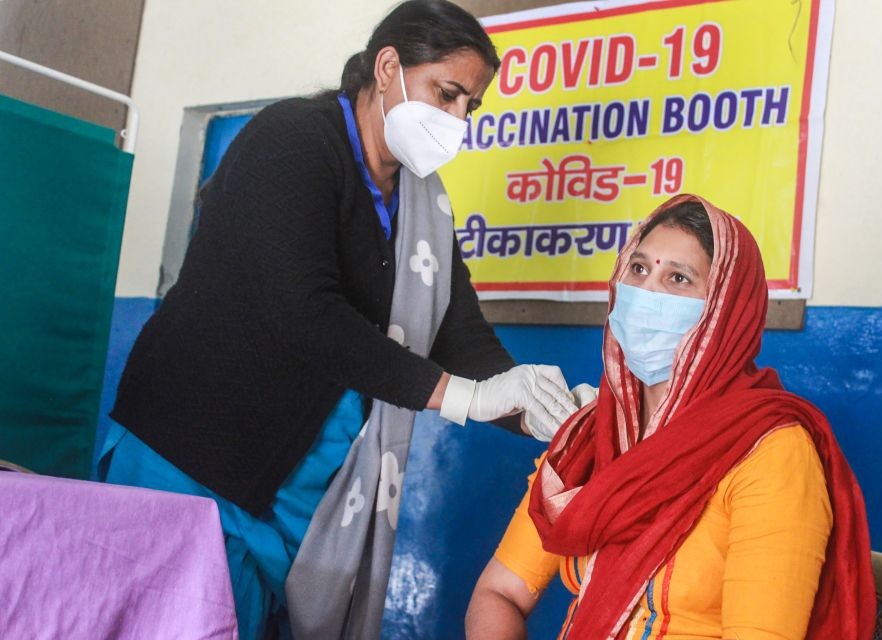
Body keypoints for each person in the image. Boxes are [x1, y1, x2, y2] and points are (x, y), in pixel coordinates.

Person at [100, 1, 578, 638]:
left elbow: (460, 336)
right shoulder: (292, 141)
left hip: (303, 490)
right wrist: (462, 397)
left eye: (472, 106)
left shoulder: (423, 203)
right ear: (387, 68)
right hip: (195, 461)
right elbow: (302, 312)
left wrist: (554, 413)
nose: (459, 120)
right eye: (448, 93)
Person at [466, 195, 876, 640]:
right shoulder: (591, 438)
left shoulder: (772, 454)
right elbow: (499, 592)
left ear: (724, 311)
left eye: (678, 278)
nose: (647, 293)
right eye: (639, 269)